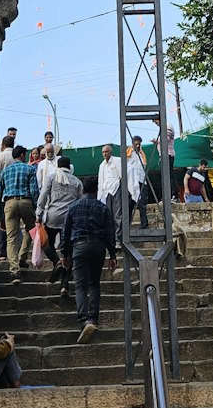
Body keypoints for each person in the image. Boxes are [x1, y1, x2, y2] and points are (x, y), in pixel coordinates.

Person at [61, 174, 117, 343]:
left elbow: (66, 231)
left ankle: (83, 320)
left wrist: (65, 253)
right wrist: (112, 254)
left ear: (83, 190)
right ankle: (93, 319)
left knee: (80, 285)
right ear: (97, 190)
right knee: (94, 284)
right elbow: (110, 231)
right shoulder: (103, 208)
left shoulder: (74, 207)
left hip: (79, 246)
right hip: (98, 247)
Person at [36, 153, 83, 291]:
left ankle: (56, 262)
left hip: (53, 216)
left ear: (58, 166)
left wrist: (38, 213)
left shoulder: (51, 177)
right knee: (68, 251)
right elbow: (80, 202)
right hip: (70, 220)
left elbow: (43, 196)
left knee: (46, 243)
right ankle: (65, 285)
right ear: (69, 167)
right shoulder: (77, 182)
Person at [0, 143, 39, 281]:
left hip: (9, 203)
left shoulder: (5, 171)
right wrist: (36, 207)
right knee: (31, 230)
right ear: (22, 155)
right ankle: (22, 256)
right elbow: (34, 191)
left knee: (12, 237)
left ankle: (14, 270)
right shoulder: (30, 169)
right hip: (26, 202)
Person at [97, 142, 141, 248]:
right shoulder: (102, 165)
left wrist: (123, 181)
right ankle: (111, 239)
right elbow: (101, 181)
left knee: (118, 215)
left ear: (110, 152)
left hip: (117, 189)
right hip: (107, 192)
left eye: (106, 151)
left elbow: (129, 169)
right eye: (103, 152)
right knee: (109, 217)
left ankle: (118, 239)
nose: (104, 154)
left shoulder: (117, 161)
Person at [0, 134, 15, 265]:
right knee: (10, 225)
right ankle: (11, 252)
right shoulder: (16, 159)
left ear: (2, 145)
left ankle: (1, 252)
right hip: (11, 196)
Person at [0, 322, 24, 389]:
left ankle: (12, 384)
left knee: (6, 347)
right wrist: (9, 342)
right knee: (8, 351)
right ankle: (16, 384)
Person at [129, 135, 150, 231]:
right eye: (136, 144)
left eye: (139, 144)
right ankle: (127, 226)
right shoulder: (128, 153)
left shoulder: (143, 154)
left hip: (142, 180)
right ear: (132, 144)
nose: (137, 146)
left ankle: (144, 226)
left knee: (142, 204)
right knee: (129, 204)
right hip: (132, 182)